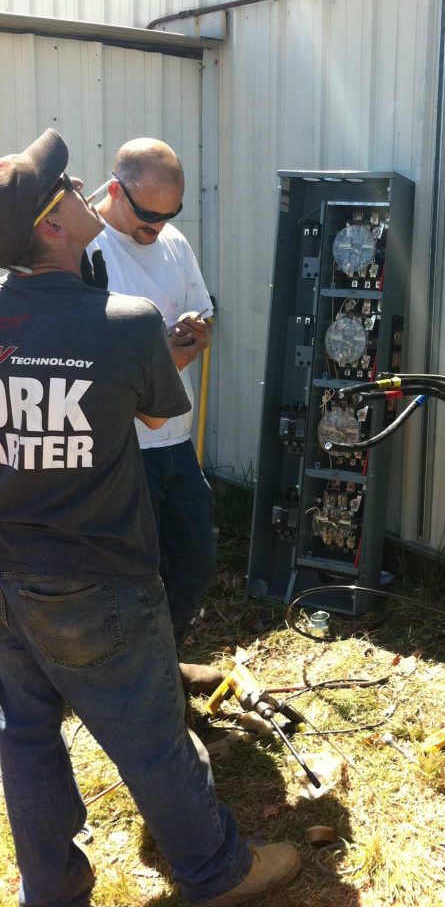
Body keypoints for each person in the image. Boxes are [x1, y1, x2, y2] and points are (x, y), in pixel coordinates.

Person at [0, 130, 300, 906]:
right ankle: (218, 871)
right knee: (155, 737)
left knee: (27, 735)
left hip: (9, 574)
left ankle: (51, 891)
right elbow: (158, 401)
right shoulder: (125, 321)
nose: (76, 189)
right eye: (62, 187)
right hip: (99, 574)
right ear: (51, 225)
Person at [89, 139, 219, 692]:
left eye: (171, 215)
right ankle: (133, 683)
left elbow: (204, 310)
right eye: (149, 216)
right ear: (115, 189)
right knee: (134, 577)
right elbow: (88, 358)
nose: (159, 228)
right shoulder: (85, 248)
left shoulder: (171, 242)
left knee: (193, 561)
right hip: (119, 450)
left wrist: (195, 333)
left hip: (174, 439)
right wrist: (162, 359)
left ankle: (164, 664)